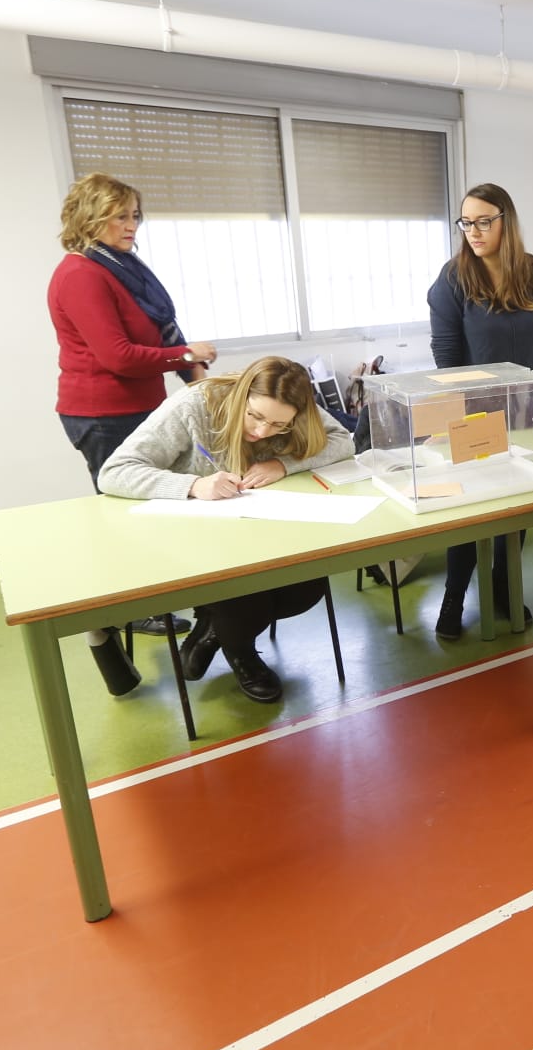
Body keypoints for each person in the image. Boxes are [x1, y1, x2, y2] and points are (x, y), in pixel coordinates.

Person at [98, 357, 354, 702]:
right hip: (196, 535)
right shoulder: (194, 405)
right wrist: (193, 485)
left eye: (279, 425)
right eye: (256, 417)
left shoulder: (296, 406)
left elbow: (343, 441)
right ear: (241, 396)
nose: (263, 431)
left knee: (307, 587)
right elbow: (114, 472)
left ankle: (212, 629)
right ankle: (242, 655)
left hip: (262, 527)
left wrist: (283, 464)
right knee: (246, 598)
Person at [48, 172, 216, 697]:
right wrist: (185, 357)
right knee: (125, 521)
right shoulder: (80, 274)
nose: (131, 225)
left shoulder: (121, 267)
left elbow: (164, 329)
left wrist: (201, 384)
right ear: (89, 218)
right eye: (119, 216)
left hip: (142, 408)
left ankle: (144, 605)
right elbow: (117, 356)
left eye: (135, 215)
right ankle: (103, 630)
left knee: (151, 517)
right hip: (102, 413)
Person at [425, 182, 533, 639]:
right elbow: (445, 356)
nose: (474, 231)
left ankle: (506, 585)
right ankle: (454, 595)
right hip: (474, 412)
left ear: (507, 220)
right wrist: (456, 417)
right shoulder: (452, 279)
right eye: (466, 222)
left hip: (527, 409)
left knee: (516, 502)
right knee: (473, 510)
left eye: (484, 221)